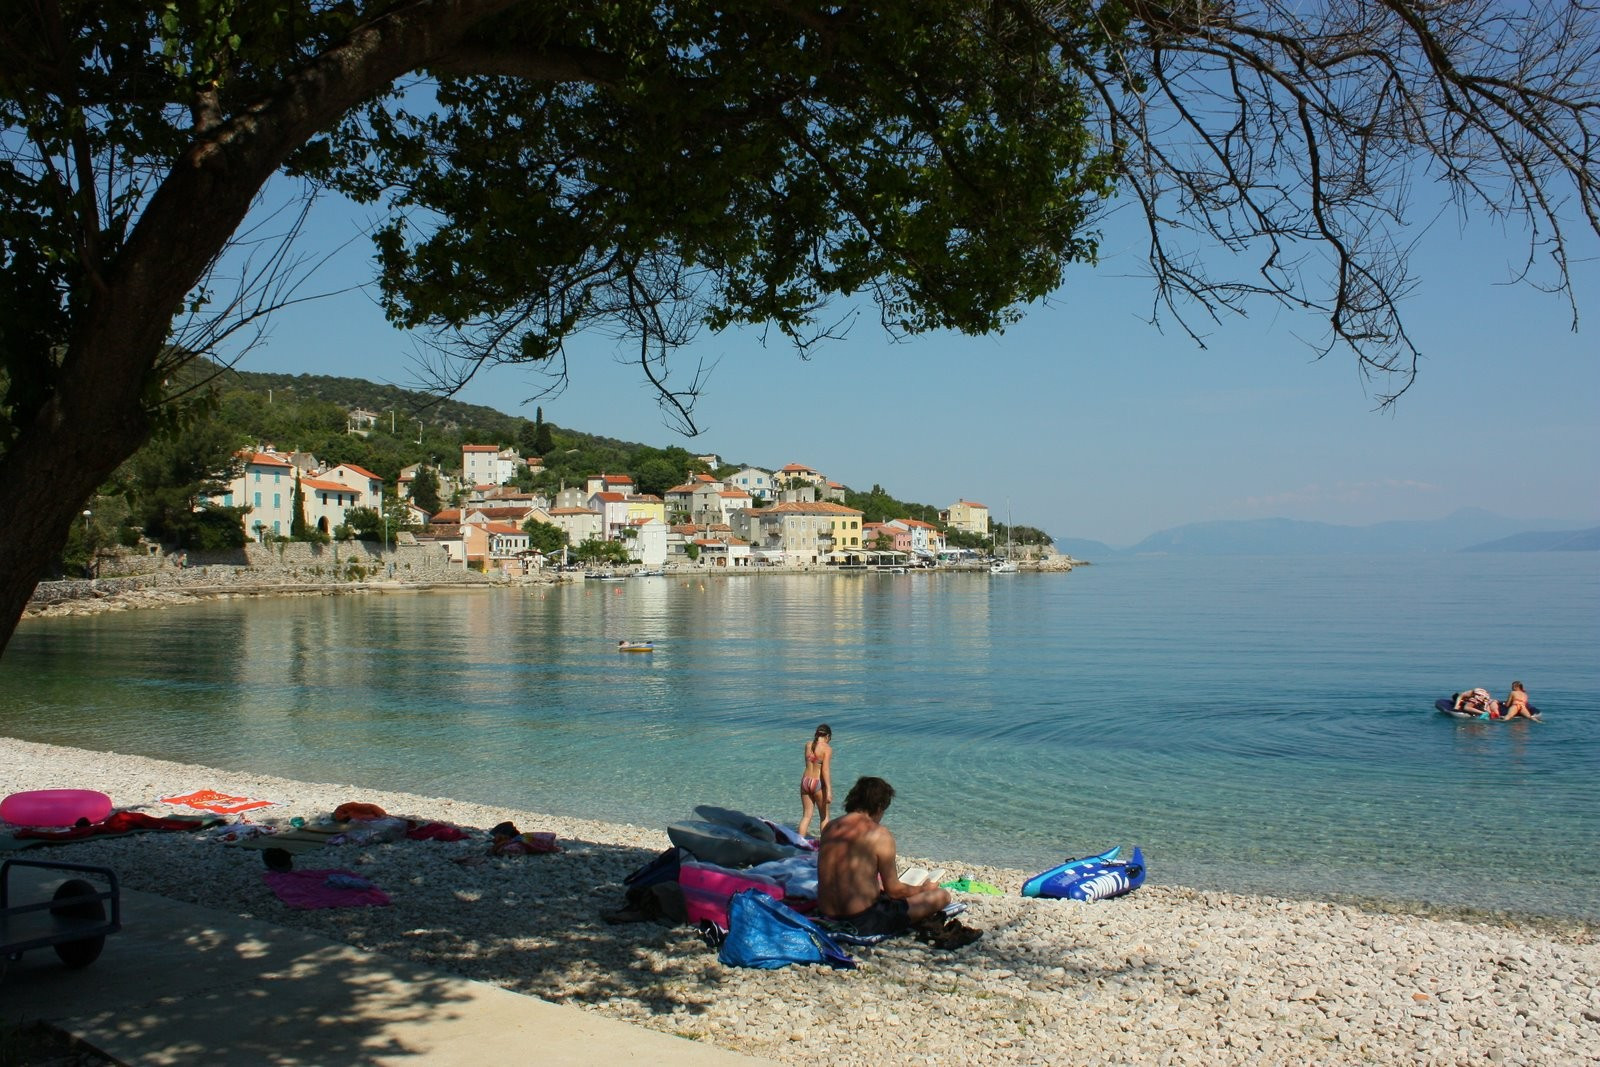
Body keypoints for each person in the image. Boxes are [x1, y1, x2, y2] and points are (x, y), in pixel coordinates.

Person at [816, 776, 970, 944]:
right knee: (942, 896)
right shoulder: (879, 834)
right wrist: (924, 889)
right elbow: (895, 891)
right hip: (863, 920)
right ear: (880, 806)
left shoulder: (831, 827)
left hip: (827, 913)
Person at [797, 723, 833, 839]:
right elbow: (825, 771)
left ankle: (798, 844)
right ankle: (824, 847)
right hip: (817, 783)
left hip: (805, 781)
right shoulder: (827, 749)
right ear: (827, 737)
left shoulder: (808, 745)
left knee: (806, 816)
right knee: (824, 817)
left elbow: (807, 764)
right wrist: (829, 791)